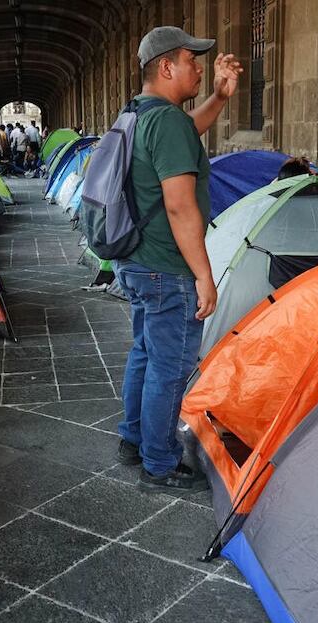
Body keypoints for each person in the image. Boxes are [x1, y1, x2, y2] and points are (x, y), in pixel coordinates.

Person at [114, 27, 242, 493]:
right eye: (193, 59)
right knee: (169, 367)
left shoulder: (139, 113)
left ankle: (134, 440)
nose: (200, 67)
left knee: (146, 352)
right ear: (167, 67)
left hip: (135, 260)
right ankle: (160, 464)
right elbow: (179, 205)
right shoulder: (165, 121)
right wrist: (204, 276)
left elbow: (189, 130)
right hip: (166, 267)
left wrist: (219, 97)